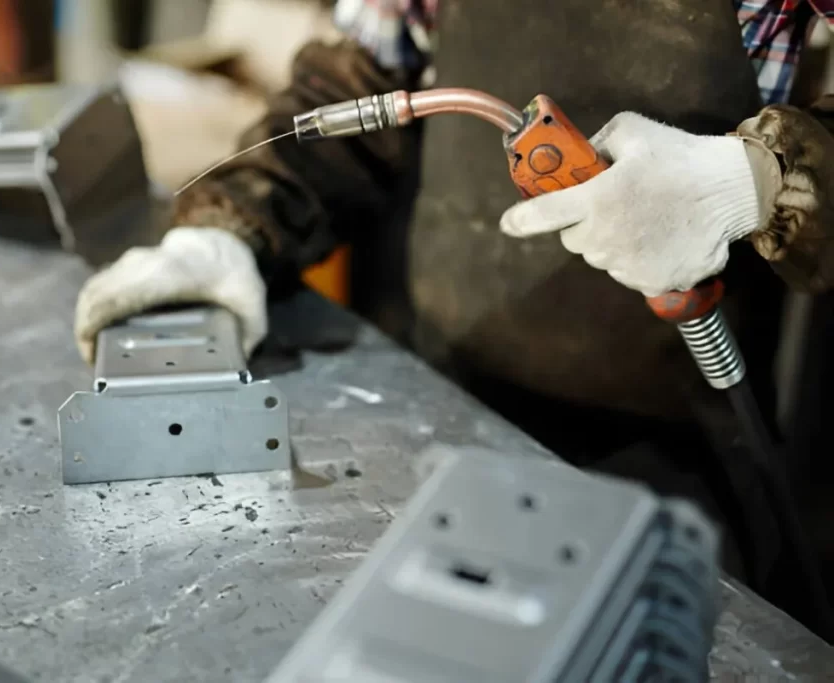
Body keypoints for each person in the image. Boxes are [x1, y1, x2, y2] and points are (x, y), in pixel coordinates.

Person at [74, 0, 834, 620]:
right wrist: (230, 227)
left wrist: (756, 179)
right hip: (422, 401)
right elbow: (358, 75)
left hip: (670, 451)